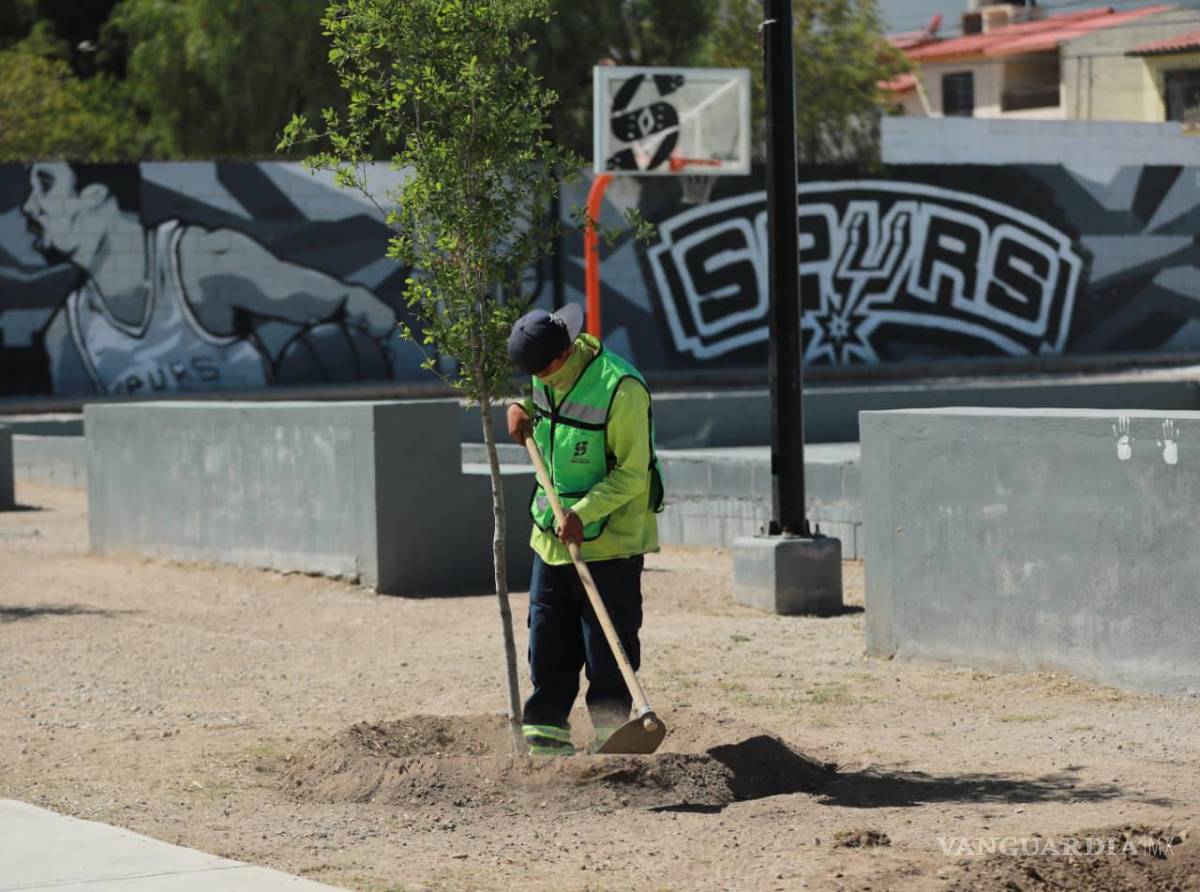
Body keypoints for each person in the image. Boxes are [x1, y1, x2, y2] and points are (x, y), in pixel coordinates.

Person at [20, 161, 397, 396]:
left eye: (47, 184)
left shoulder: (204, 262)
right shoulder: (67, 336)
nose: (29, 204)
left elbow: (357, 305)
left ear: (95, 195)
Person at [506, 304, 665, 756]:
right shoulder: (543, 374)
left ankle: (613, 743)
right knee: (548, 646)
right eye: (532, 374)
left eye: (544, 370)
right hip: (551, 539)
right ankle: (546, 746)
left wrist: (585, 512)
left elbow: (634, 473)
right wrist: (520, 410)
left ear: (564, 353)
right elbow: (542, 417)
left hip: (610, 542)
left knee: (607, 649)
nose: (540, 378)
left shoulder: (622, 388)